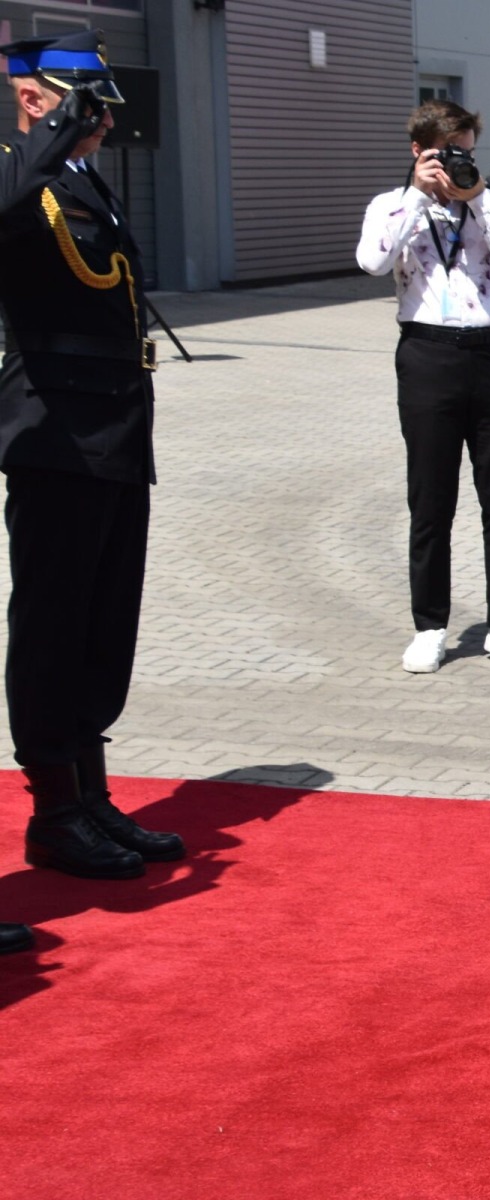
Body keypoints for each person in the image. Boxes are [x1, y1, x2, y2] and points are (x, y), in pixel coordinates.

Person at [0, 30, 184, 952]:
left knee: (104, 621)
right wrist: (46, 136)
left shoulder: (83, 182)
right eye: (87, 102)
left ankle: (94, 797)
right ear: (35, 99)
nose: (105, 118)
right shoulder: (18, 175)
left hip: (114, 430)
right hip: (52, 436)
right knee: (52, 622)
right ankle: (52, 809)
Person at [356, 99, 490, 674]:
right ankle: (429, 627)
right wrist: (419, 195)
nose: (457, 165)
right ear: (419, 153)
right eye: (446, 155)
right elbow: (371, 262)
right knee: (430, 502)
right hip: (426, 355)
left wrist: (478, 202)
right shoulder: (392, 206)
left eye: (466, 153)